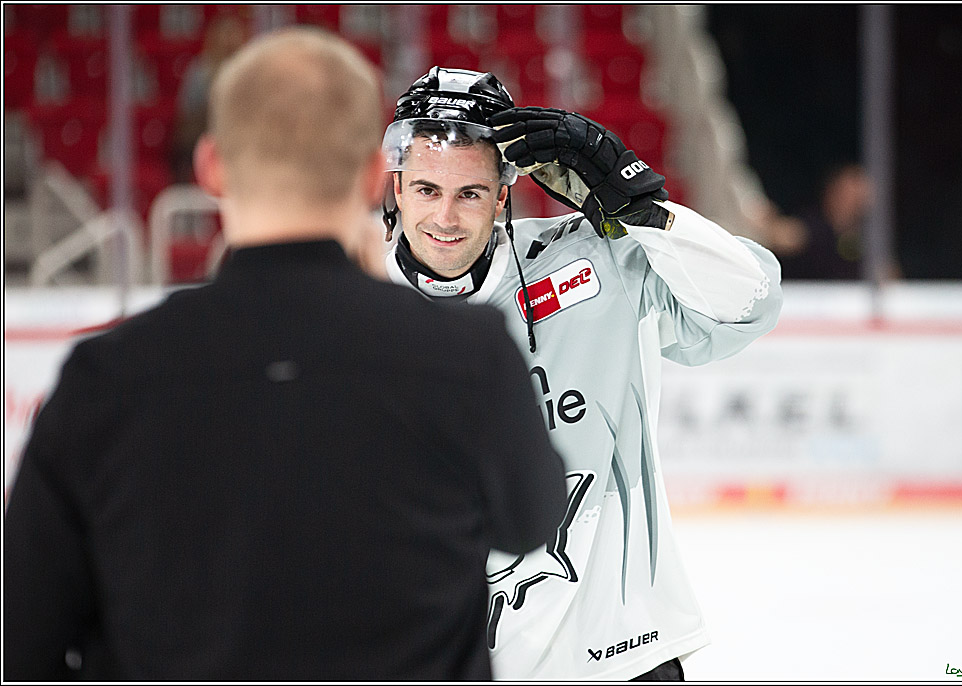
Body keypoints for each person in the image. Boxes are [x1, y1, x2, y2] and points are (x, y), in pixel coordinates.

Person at [3, 31, 566, 681]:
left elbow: (22, 645)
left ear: (211, 166)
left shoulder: (106, 378)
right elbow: (533, 520)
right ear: (369, 175)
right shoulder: (466, 356)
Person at [379, 67, 784, 681]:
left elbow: (750, 302)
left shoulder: (592, 258)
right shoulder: (354, 309)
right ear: (398, 187)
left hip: (621, 653)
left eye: (470, 193)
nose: (447, 217)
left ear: (503, 195)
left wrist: (646, 211)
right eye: (428, 190)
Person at [170, 14, 248, 183]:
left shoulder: (249, 71)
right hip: (203, 132)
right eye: (224, 35)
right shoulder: (200, 71)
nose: (228, 41)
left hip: (240, 133)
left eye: (232, 35)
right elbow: (186, 113)